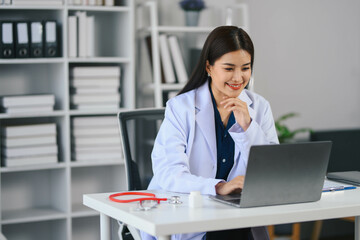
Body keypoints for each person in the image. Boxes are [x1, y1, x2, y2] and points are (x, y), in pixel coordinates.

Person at [142, 26, 279, 240]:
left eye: (245, 68)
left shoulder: (259, 107)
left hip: (239, 219)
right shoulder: (181, 108)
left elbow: (271, 170)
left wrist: (248, 126)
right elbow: (169, 173)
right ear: (209, 66)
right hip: (190, 217)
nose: (238, 77)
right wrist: (219, 187)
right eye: (229, 68)